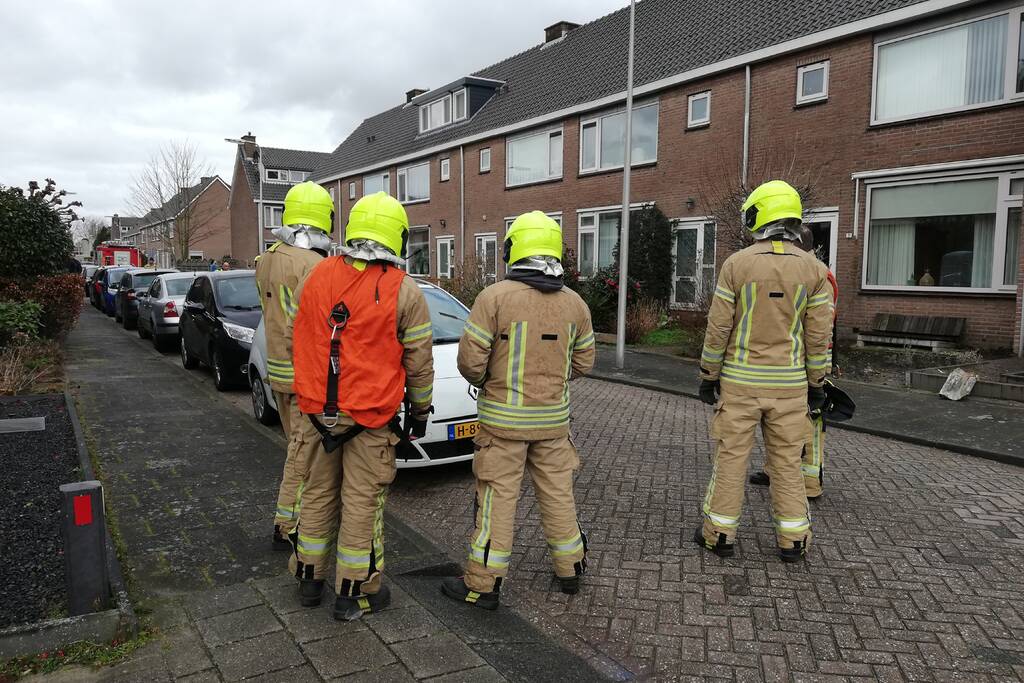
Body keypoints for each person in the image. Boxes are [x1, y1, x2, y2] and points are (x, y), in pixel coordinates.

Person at [287, 191, 434, 620]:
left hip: (316, 414)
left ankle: (309, 580)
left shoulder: (314, 276)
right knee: (362, 503)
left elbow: (300, 336)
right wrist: (420, 412)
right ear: (397, 237)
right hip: (370, 421)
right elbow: (419, 361)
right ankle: (355, 591)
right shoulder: (404, 291)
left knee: (315, 494)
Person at [440, 211, 595, 610]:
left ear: (514, 250)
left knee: (497, 499)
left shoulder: (493, 298)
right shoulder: (576, 305)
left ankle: (483, 584)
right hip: (553, 424)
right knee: (559, 495)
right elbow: (584, 364)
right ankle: (570, 569)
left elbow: (470, 363)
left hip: (502, 424)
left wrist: (493, 382)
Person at [695, 180, 832, 563]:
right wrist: (817, 383)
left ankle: (719, 534)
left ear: (758, 215)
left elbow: (718, 327)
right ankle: (794, 541)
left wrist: (709, 375)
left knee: (731, 458)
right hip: (789, 387)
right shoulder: (814, 270)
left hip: (740, 384)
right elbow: (819, 337)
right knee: (788, 463)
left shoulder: (737, 264)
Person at [255, 181, 332, 551]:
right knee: (302, 453)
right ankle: (288, 525)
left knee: (296, 446)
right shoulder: (314, 265)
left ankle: (298, 514)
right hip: (304, 373)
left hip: (277, 369)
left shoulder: (267, 258)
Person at [749, 224, 838, 499]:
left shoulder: (818, 274)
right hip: (790, 360)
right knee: (780, 423)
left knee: (808, 424)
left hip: (810, 360)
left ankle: (810, 484)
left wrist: (819, 373)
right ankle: (772, 470)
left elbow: (821, 327)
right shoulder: (799, 269)